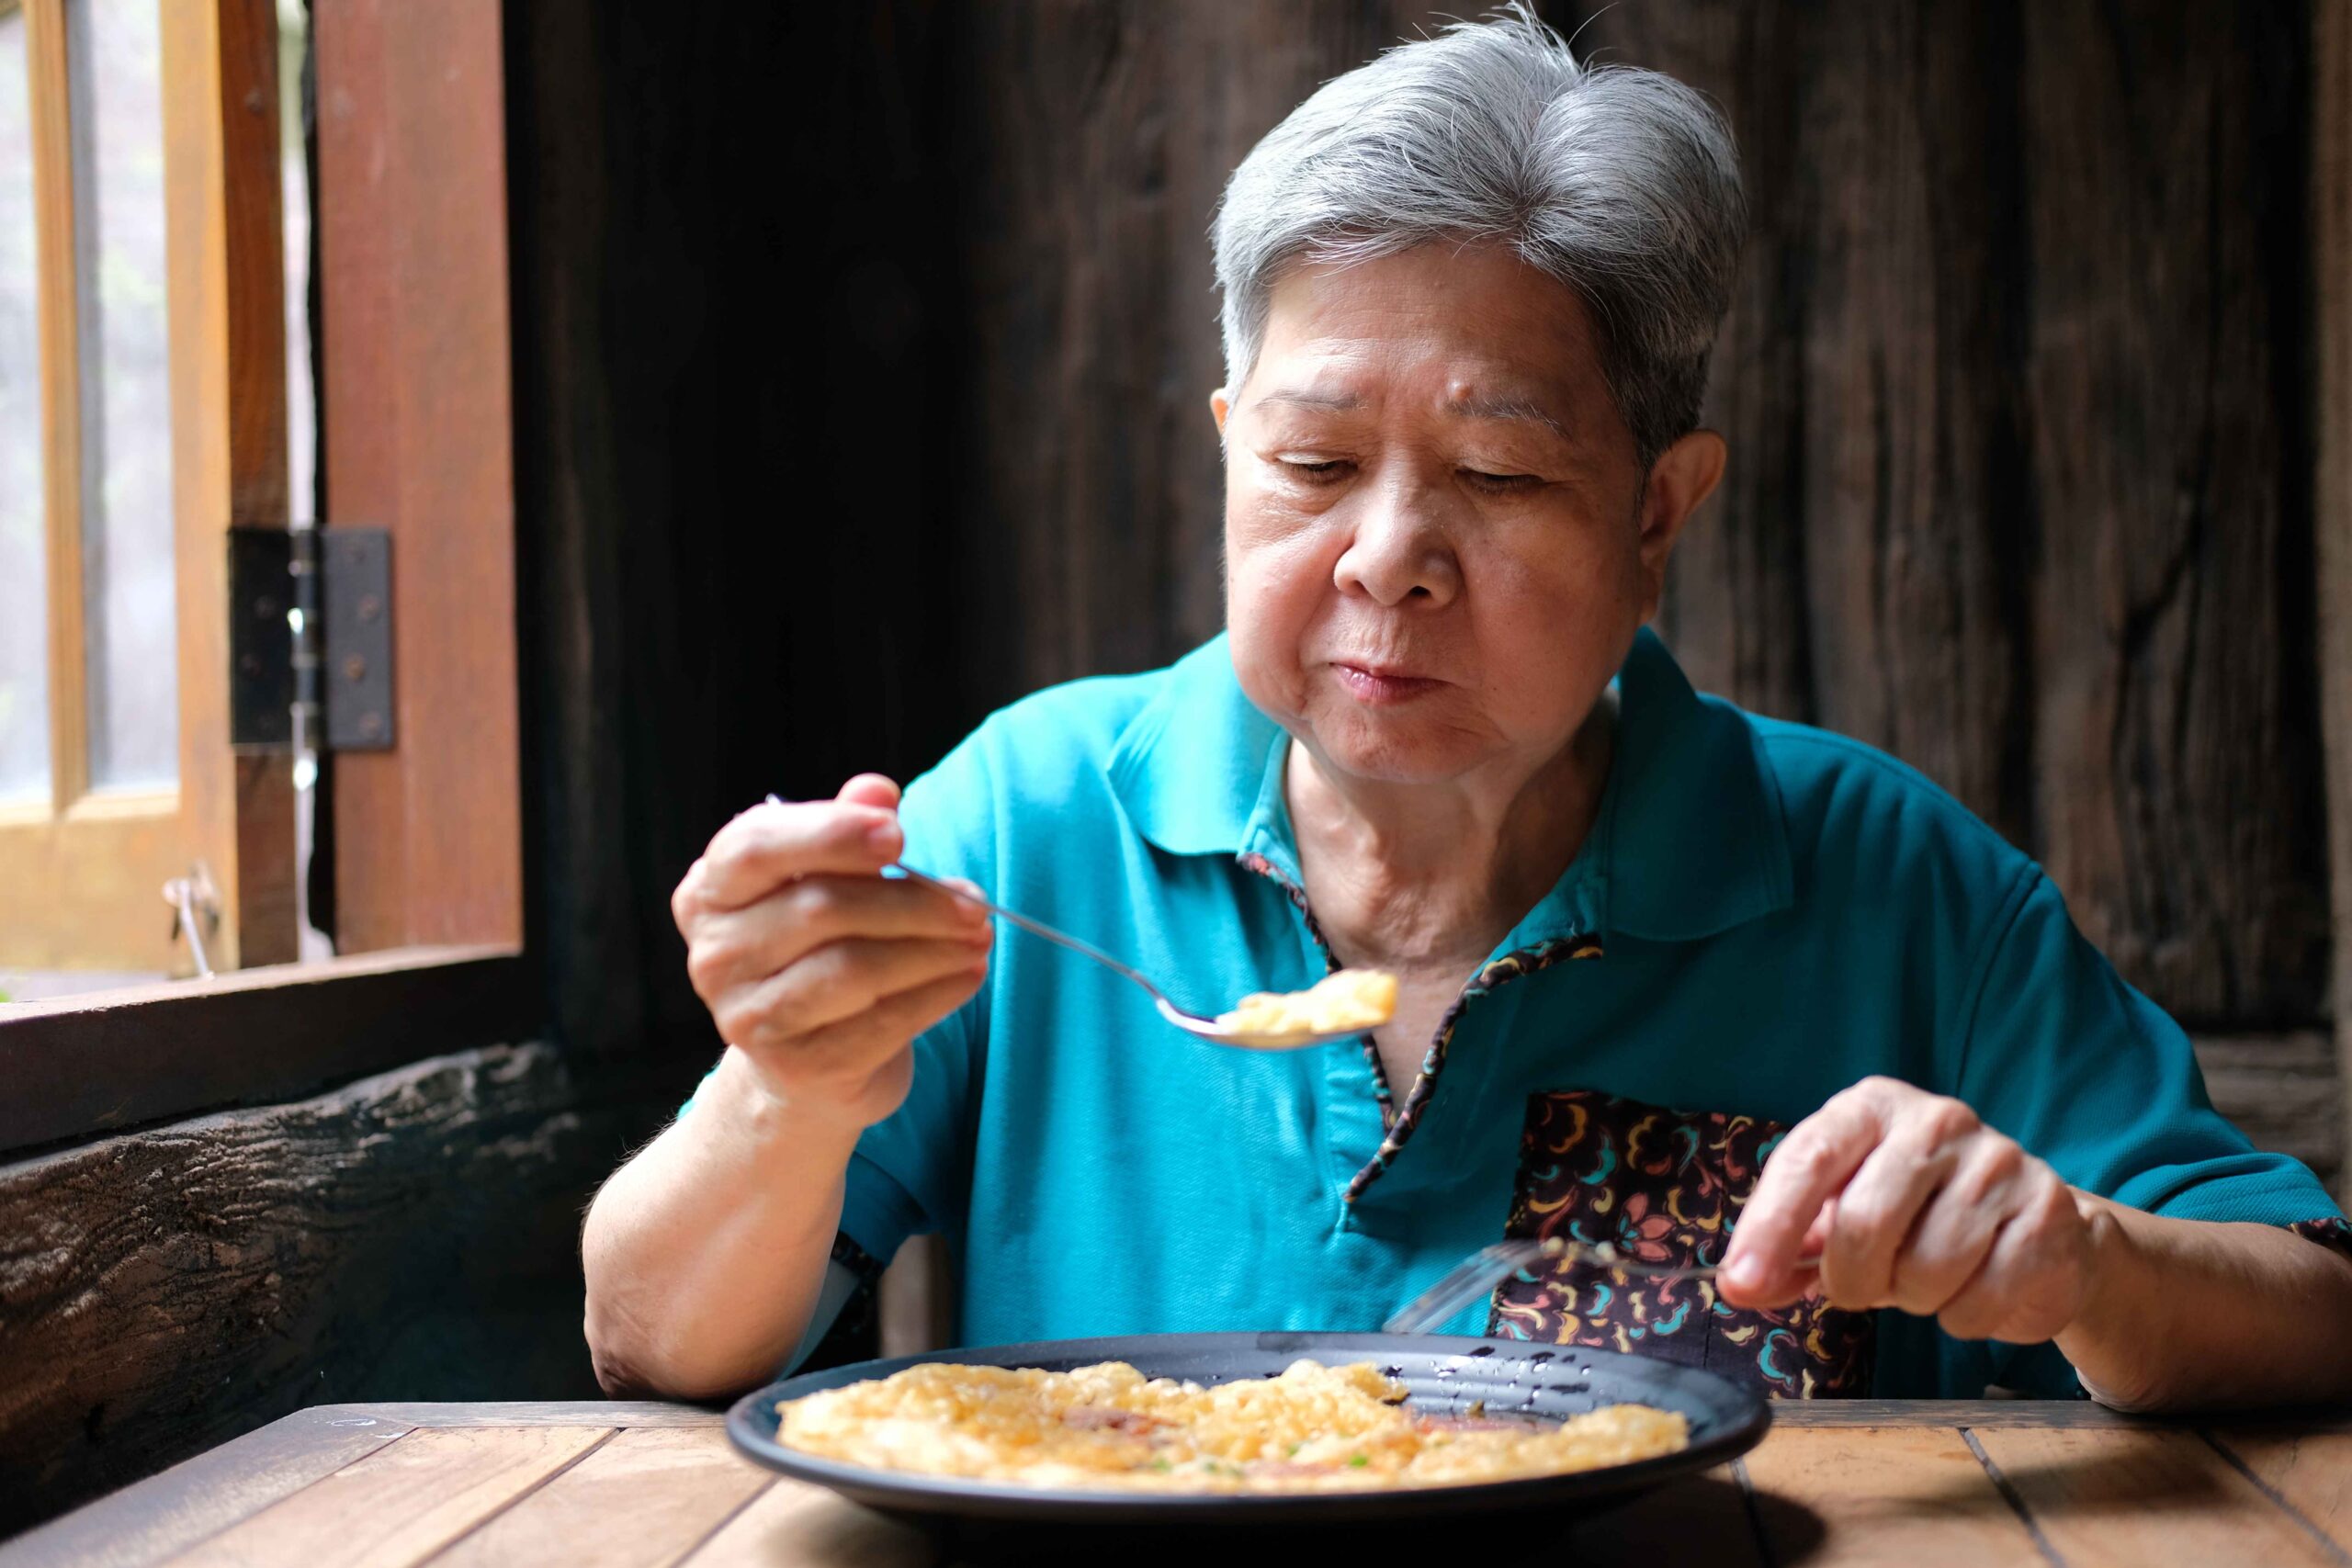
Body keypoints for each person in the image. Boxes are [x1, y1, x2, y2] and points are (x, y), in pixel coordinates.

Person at [582, 6, 2352, 1408]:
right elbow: (648, 1339)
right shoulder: (1033, 824)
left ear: (1657, 515)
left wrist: (2086, 1262)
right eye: (1313, 464)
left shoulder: (1887, 884)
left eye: (1497, 476)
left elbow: (2315, 1310)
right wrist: (785, 1091)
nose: (1388, 560)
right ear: (1229, 451)